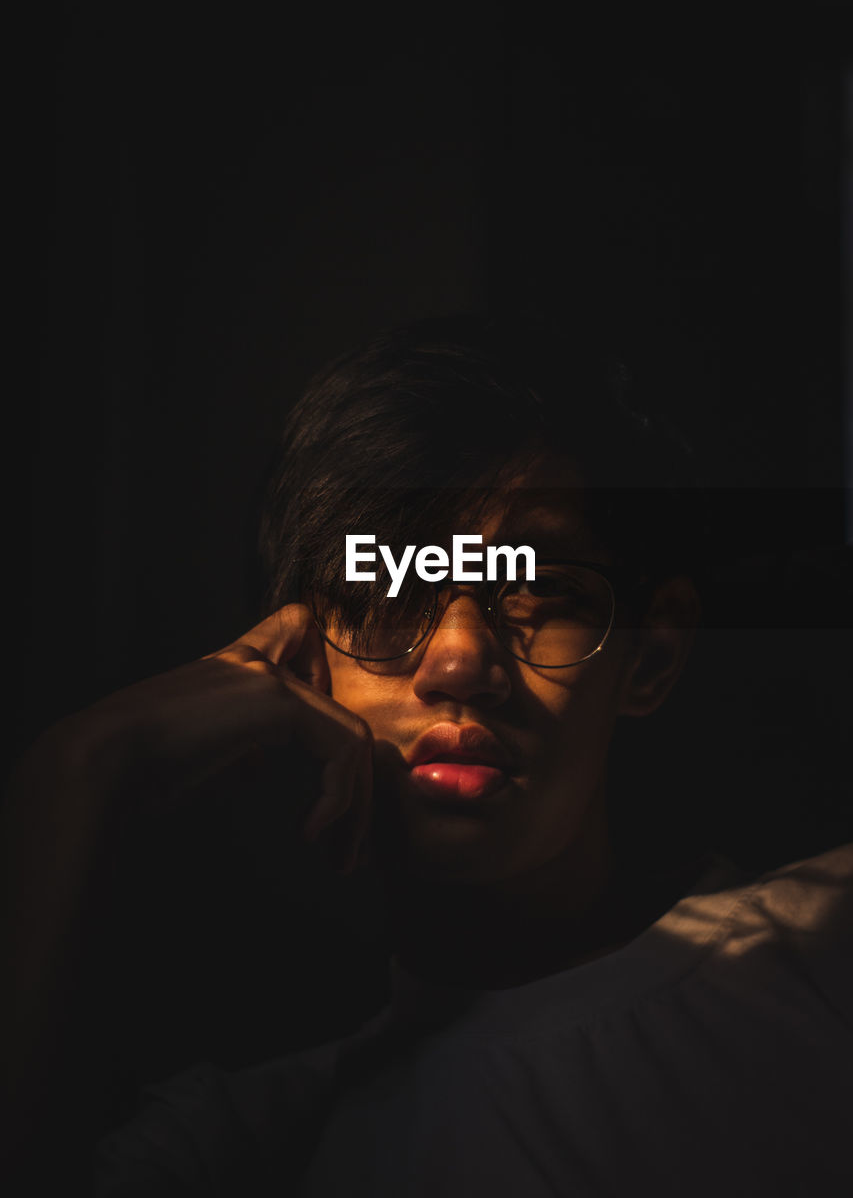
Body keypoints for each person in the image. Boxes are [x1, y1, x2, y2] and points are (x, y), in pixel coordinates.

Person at [4, 317, 851, 1194]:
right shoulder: (239, 1148)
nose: (458, 664)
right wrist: (73, 774)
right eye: (387, 591)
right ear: (297, 660)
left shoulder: (824, 956)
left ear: (650, 652)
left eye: (538, 592)